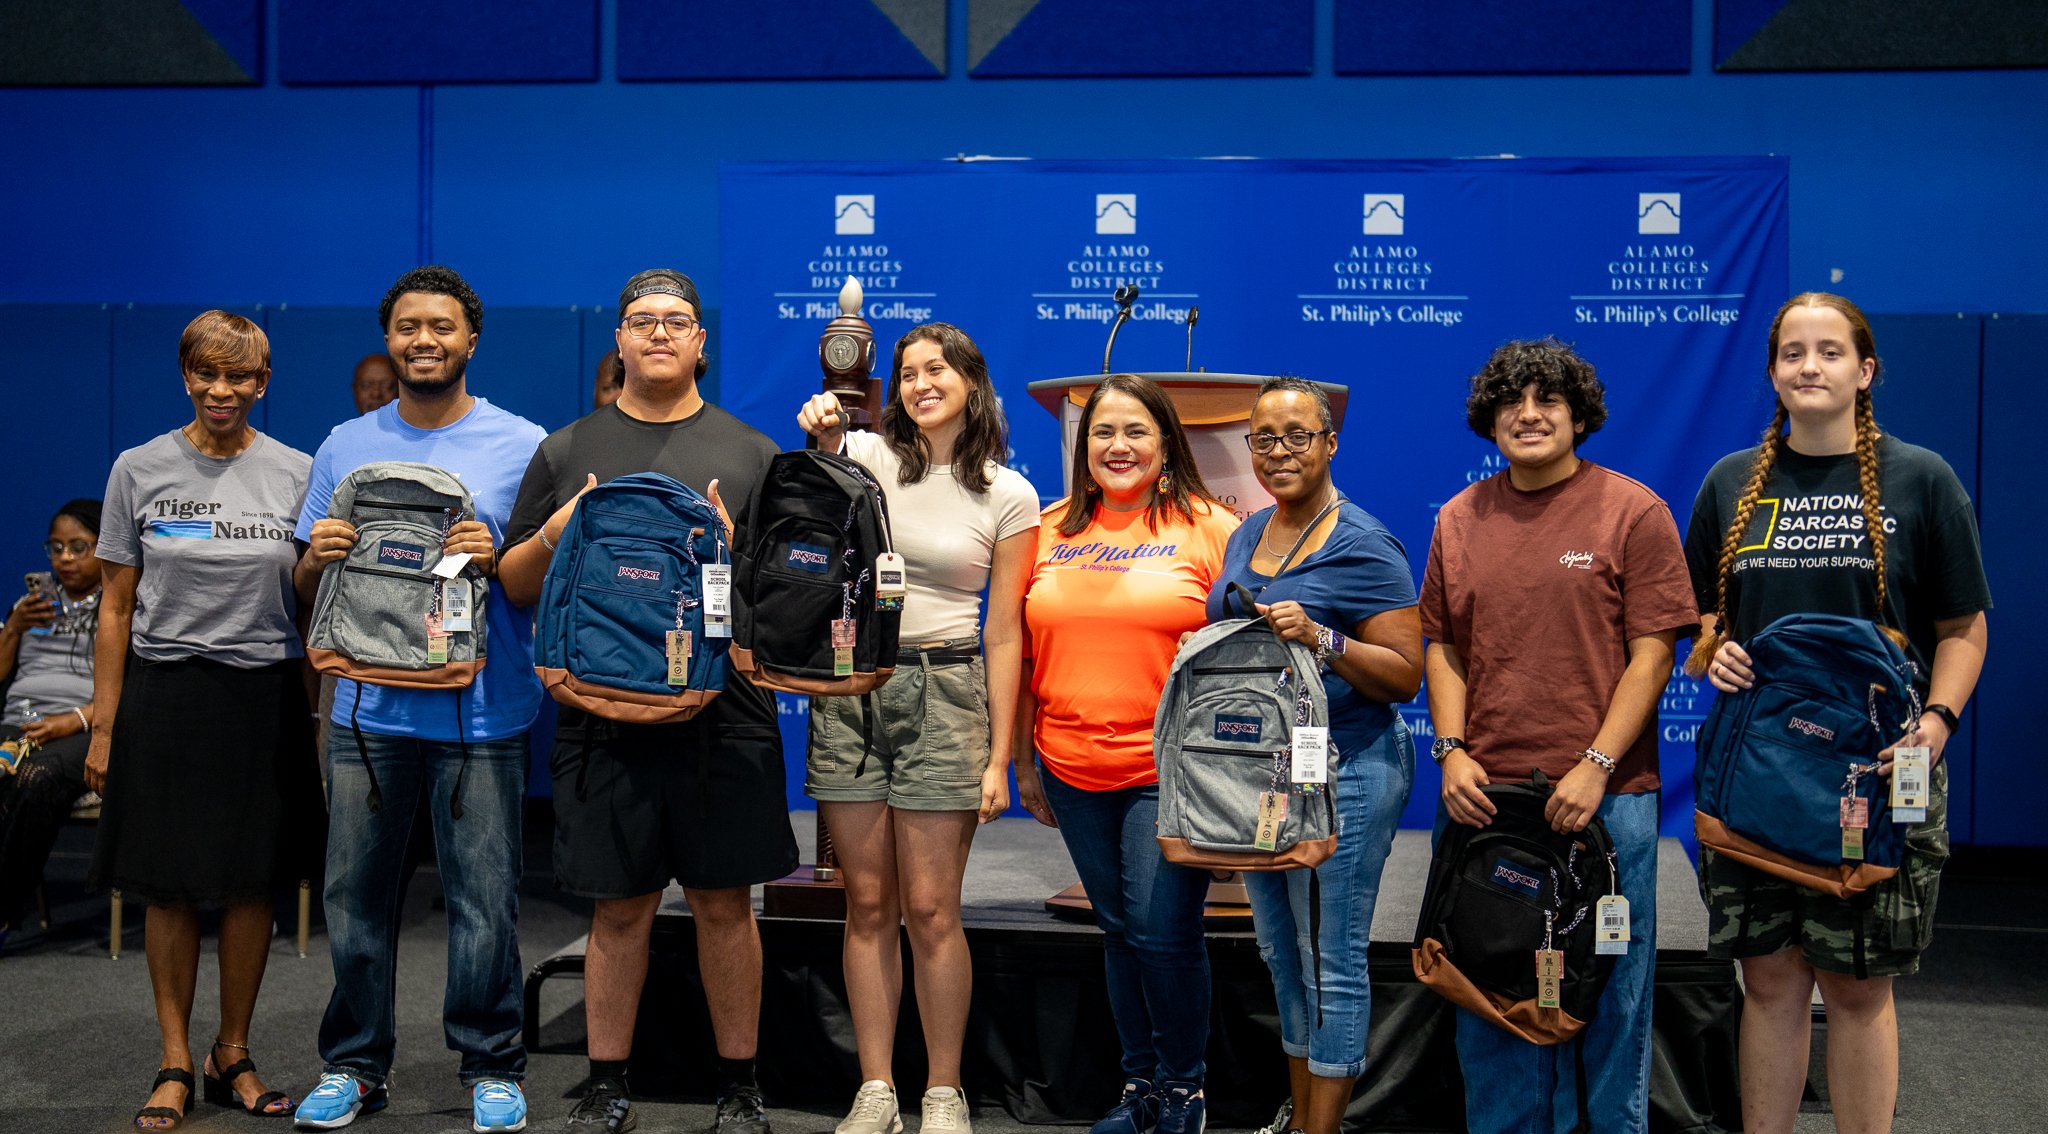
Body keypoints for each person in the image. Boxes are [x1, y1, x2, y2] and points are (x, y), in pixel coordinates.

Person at [497, 269, 796, 1134]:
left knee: (724, 904)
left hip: (725, 713)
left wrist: (741, 556)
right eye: (641, 321)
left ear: (701, 342)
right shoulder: (565, 449)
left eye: (676, 321)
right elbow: (513, 587)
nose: (658, 333)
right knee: (617, 909)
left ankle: (740, 1087)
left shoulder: (752, 454)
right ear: (619, 342)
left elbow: (777, 606)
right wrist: (556, 532)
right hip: (599, 712)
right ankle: (605, 1081)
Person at [1683, 293, 1990, 1134]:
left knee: (1859, 987)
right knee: (1771, 983)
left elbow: (1964, 626)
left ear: (1866, 369)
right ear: (1773, 371)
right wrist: (1718, 650)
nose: (1808, 367)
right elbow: (1702, 619)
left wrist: (1935, 724)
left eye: (1828, 352)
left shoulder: (1922, 478)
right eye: (1791, 353)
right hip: (1758, 770)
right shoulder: (1728, 482)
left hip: (1886, 768)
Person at [291, 266, 547, 1133]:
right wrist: (318, 554)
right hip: (366, 712)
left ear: (471, 339)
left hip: (484, 709)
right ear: (389, 339)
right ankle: (355, 1064)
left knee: (484, 899)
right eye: (407, 326)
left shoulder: (524, 444)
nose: (424, 339)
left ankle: (490, 1064)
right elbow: (302, 586)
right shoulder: (342, 443)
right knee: (354, 898)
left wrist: (498, 550)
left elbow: (534, 587)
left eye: (441, 325)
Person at [1418, 339, 1696, 1134]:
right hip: (1485, 803)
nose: (1529, 416)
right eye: (1512, 402)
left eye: (1548, 402)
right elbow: (1443, 646)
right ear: (1489, 419)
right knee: (1489, 996)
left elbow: (1653, 654)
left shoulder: (1633, 511)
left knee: (1611, 999)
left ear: (1579, 417)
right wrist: (1452, 751)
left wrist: (1596, 765)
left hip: (1607, 805)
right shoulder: (1459, 519)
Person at [793, 323, 1038, 1134]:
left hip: (948, 689)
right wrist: (824, 436)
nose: (920, 383)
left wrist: (1000, 756)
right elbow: (815, 504)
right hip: (854, 687)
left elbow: (1005, 631)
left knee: (931, 909)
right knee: (867, 903)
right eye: (905, 372)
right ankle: (875, 1091)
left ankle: (941, 1090)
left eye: (937, 369)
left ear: (972, 380)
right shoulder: (865, 457)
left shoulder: (1008, 493)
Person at [85, 311, 323, 1130]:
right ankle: (176, 1058)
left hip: (262, 695)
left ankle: (235, 1052)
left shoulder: (297, 471)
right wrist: (106, 725)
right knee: (170, 885)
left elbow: (309, 601)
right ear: (186, 376)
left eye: (240, 377)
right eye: (206, 374)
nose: (222, 390)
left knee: (254, 883)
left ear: (263, 384)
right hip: (167, 694)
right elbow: (115, 605)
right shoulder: (138, 468)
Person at [1013, 373, 1237, 1134]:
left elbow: (1244, 660)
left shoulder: (1212, 528)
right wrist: (1021, 760)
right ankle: (1139, 1087)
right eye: (1103, 432)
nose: (1118, 446)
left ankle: (1184, 1090)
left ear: (1167, 442)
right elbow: (1018, 657)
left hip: (1167, 774)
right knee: (1117, 929)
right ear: (1083, 448)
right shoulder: (1047, 528)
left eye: (1136, 430)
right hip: (1070, 765)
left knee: (1162, 933)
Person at [1204, 379, 1421, 1134]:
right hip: (1263, 782)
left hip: (1347, 773)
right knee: (1281, 954)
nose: (1279, 452)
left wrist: (1324, 637)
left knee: (1331, 963)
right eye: (1264, 439)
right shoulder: (1246, 532)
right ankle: (1300, 1119)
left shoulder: (1365, 543)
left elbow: (1405, 674)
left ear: (1331, 444)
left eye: (1298, 436)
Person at [0, 499, 105, 949]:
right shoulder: (32, 603)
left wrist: (71, 721)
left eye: (79, 547)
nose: (65, 558)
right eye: (57, 548)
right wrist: (13, 628)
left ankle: (3, 913)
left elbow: (132, 692)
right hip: (20, 720)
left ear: (106, 546)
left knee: (37, 778)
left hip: (87, 727)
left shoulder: (128, 606)